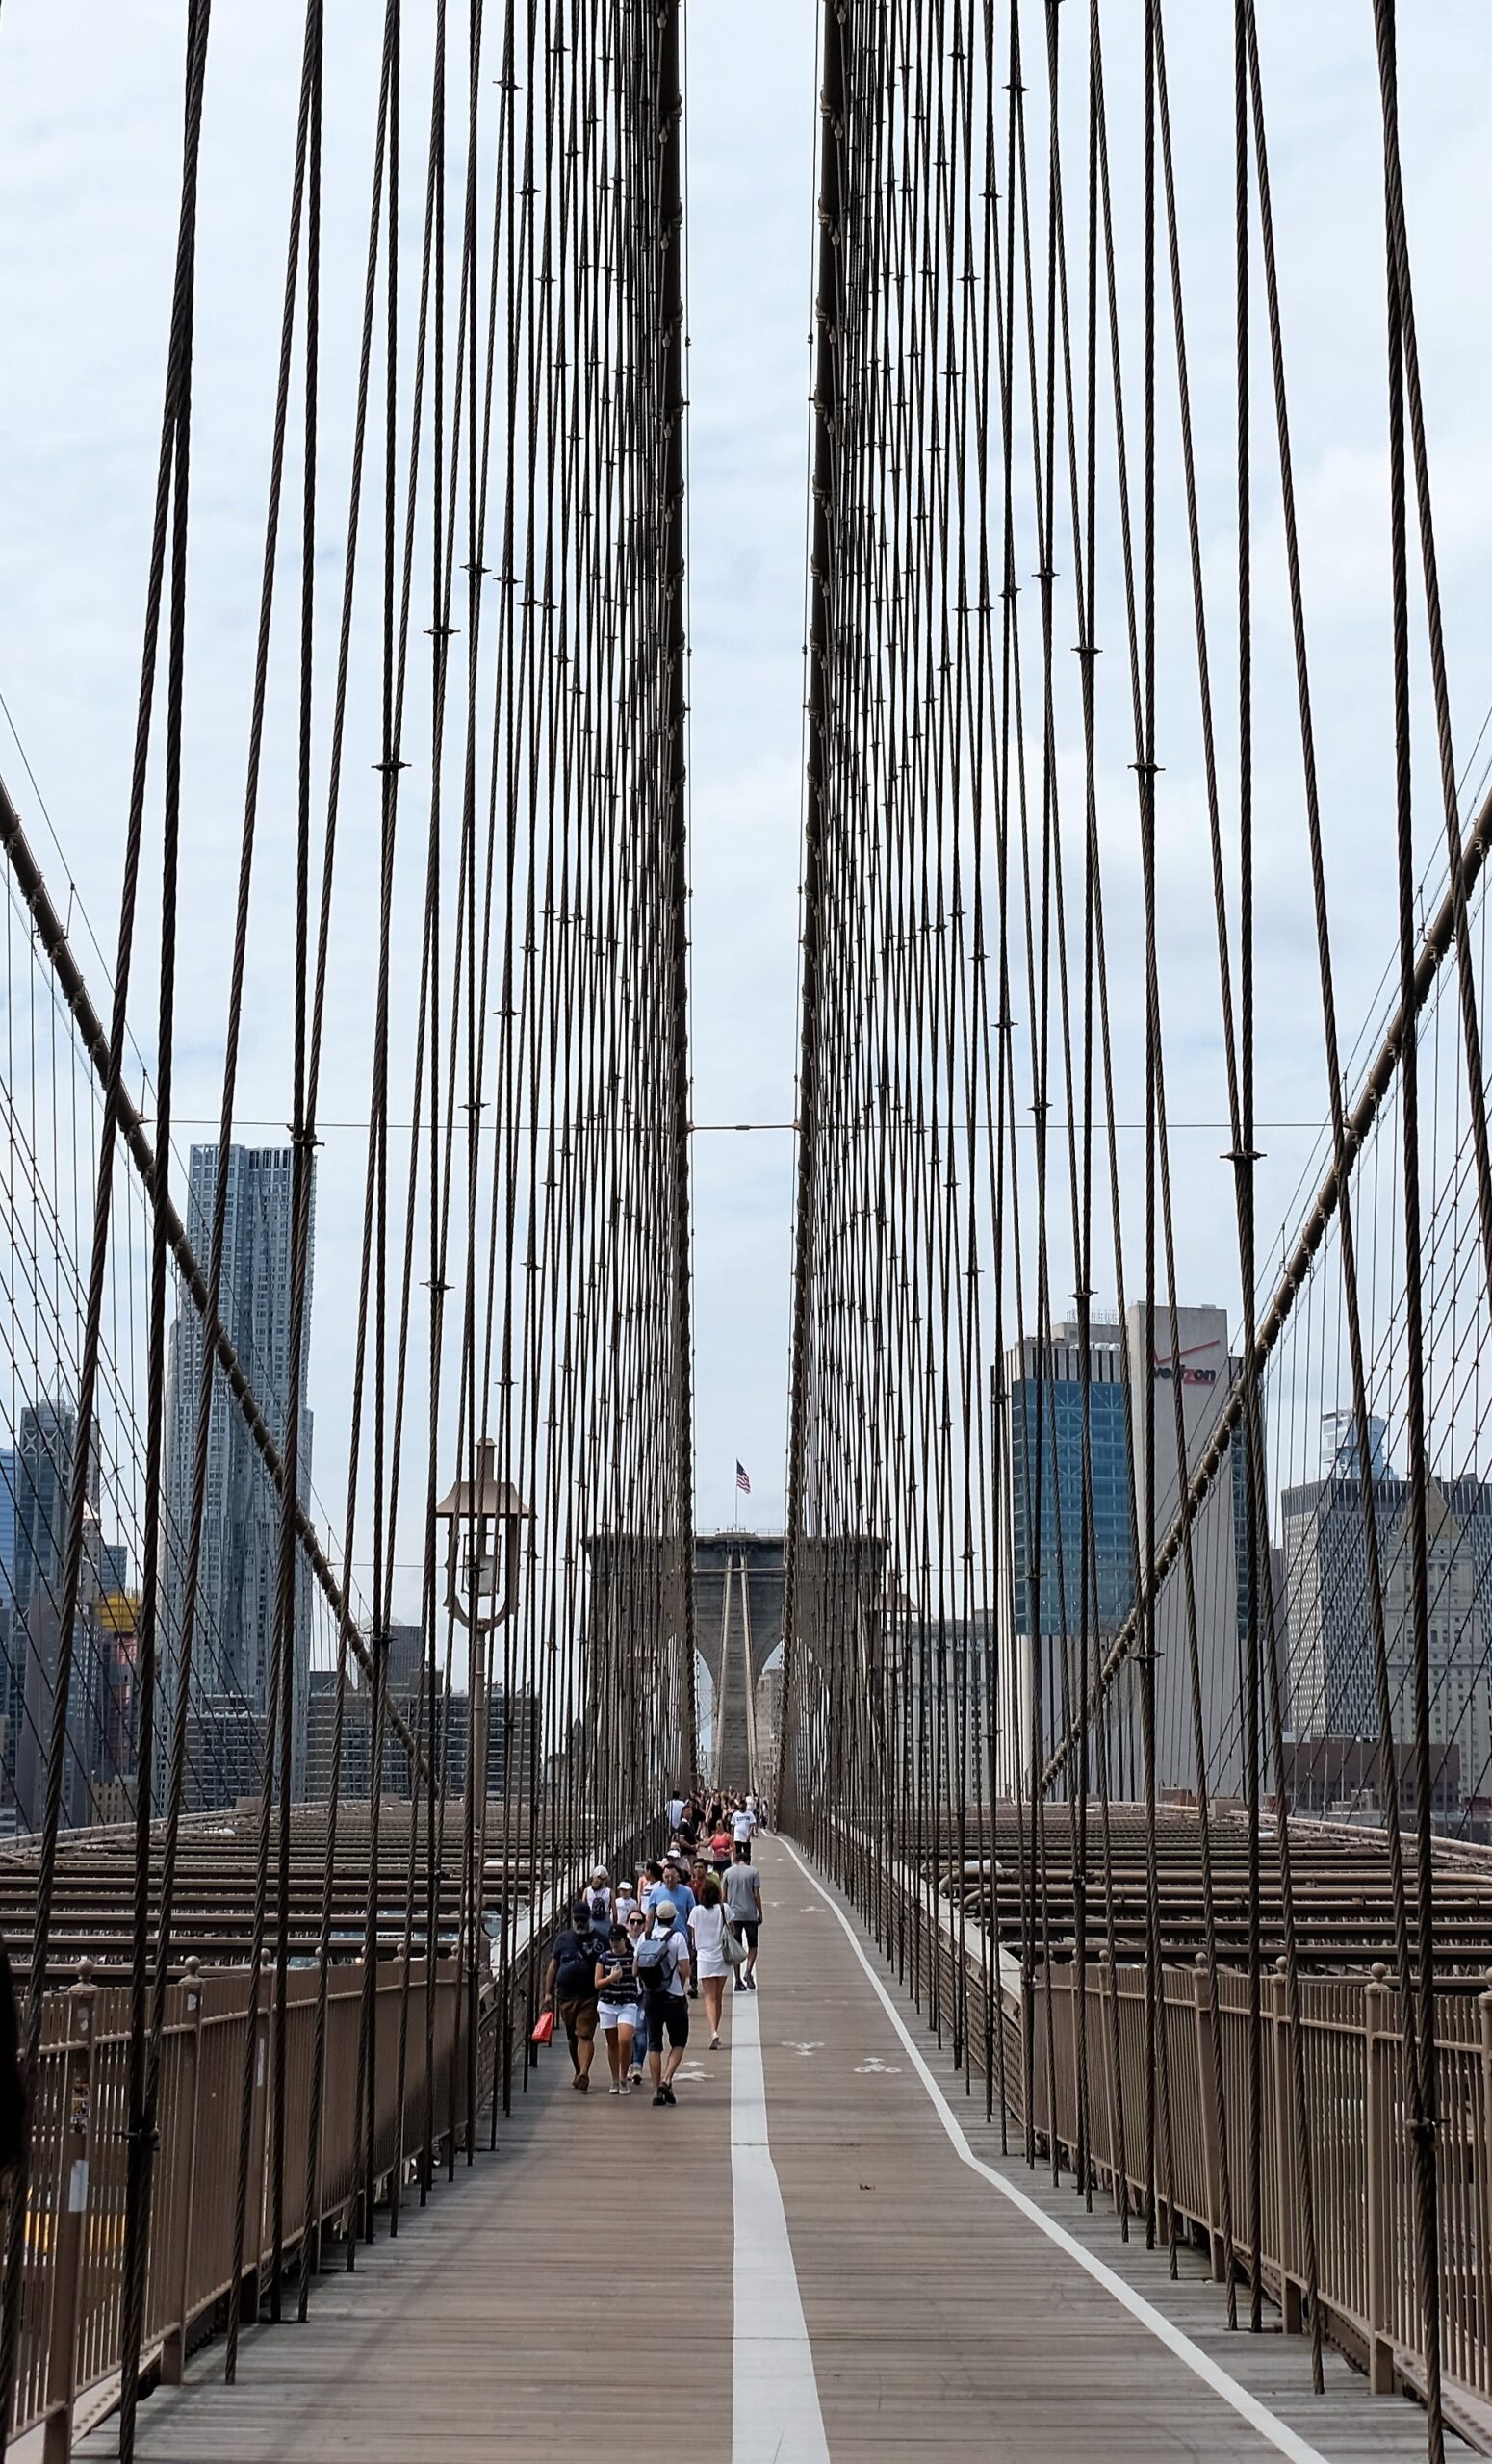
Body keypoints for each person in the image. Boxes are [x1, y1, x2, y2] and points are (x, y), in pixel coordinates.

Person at [634, 1898, 691, 2103]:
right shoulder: (677, 1938)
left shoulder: (645, 1937)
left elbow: (635, 1969)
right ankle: (667, 2079)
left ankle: (656, 2091)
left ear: (656, 1917)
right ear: (674, 1918)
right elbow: (685, 1969)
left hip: (650, 1996)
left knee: (654, 2044)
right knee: (678, 2041)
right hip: (673, 1996)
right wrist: (681, 1982)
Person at [543, 1899, 603, 2089]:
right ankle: (578, 2070)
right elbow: (553, 1965)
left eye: (583, 1920)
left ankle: (584, 2072)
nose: (580, 1923)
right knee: (572, 2037)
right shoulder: (564, 1939)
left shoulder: (601, 1939)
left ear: (589, 1919)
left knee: (585, 2035)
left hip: (589, 1995)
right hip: (566, 1996)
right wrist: (548, 1993)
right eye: (577, 1919)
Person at [595, 1923, 642, 2092]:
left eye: (617, 1940)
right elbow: (597, 1983)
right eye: (612, 1940)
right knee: (612, 2043)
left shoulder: (632, 1957)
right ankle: (615, 2079)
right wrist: (612, 1978)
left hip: (627, 2003)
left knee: (625, 2039)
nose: (614, 1943)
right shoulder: (604, 1958)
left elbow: (639, 1975)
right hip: (608, 2003)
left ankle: (623, 2076)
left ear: (624, 1940)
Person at [687, 1871, 731, 2049]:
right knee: (718, 1997)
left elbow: (692, 1937)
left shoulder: (696, 1911)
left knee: (709, 1996)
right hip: (721, 1955)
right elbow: (732, 1930)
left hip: (704, 1957)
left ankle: (713, 2031)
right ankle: (715, 2030)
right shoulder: (724, 1909)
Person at [724, 1841, 763, 1991]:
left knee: (736, 1947)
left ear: (736, 1860)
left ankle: (738, 1980)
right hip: (750, 1914)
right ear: (747, 1861)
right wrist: (760, 1912)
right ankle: (748, 1970)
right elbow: (756, 1894)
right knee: (753, 1945)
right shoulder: (753, 1872)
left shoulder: (728, 1873)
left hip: (734, 1914)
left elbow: (724, 1895)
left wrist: (724, 1913)